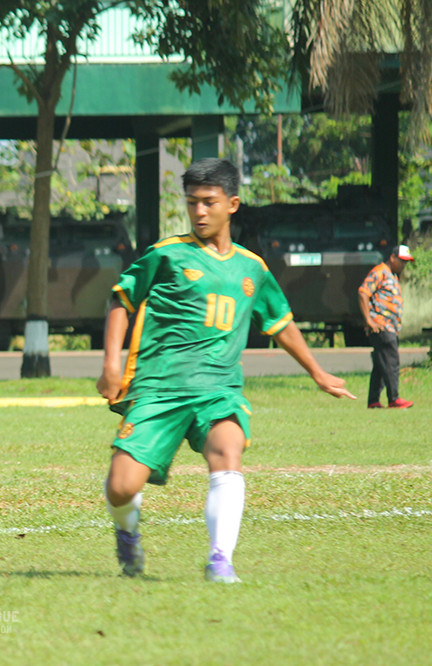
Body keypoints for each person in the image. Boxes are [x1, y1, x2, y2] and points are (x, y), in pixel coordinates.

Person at [96, 158, 355, 583]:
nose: (199, 212)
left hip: (219, 389)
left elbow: (280, 323)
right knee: (122, 487)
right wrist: (110, 365)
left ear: (232, 204)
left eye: (208, 202)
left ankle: (220, 560)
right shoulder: (167, 255)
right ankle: (126, 533)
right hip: (159, 389)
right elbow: (121, 300)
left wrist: (317, 372)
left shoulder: (252, 268)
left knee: (227, 452)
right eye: (192, 203)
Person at [358, 245, 415, 409]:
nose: (404, 265)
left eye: (406, 262)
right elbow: (363, 292)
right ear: (392, 258)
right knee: (391, 361)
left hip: (389, 326)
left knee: (380, 363)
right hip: (381, 326)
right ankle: (394, 399)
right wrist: (369, 320)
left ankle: (373, 401)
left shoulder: (392, 276)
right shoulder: (380, 272)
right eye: (402, 261)